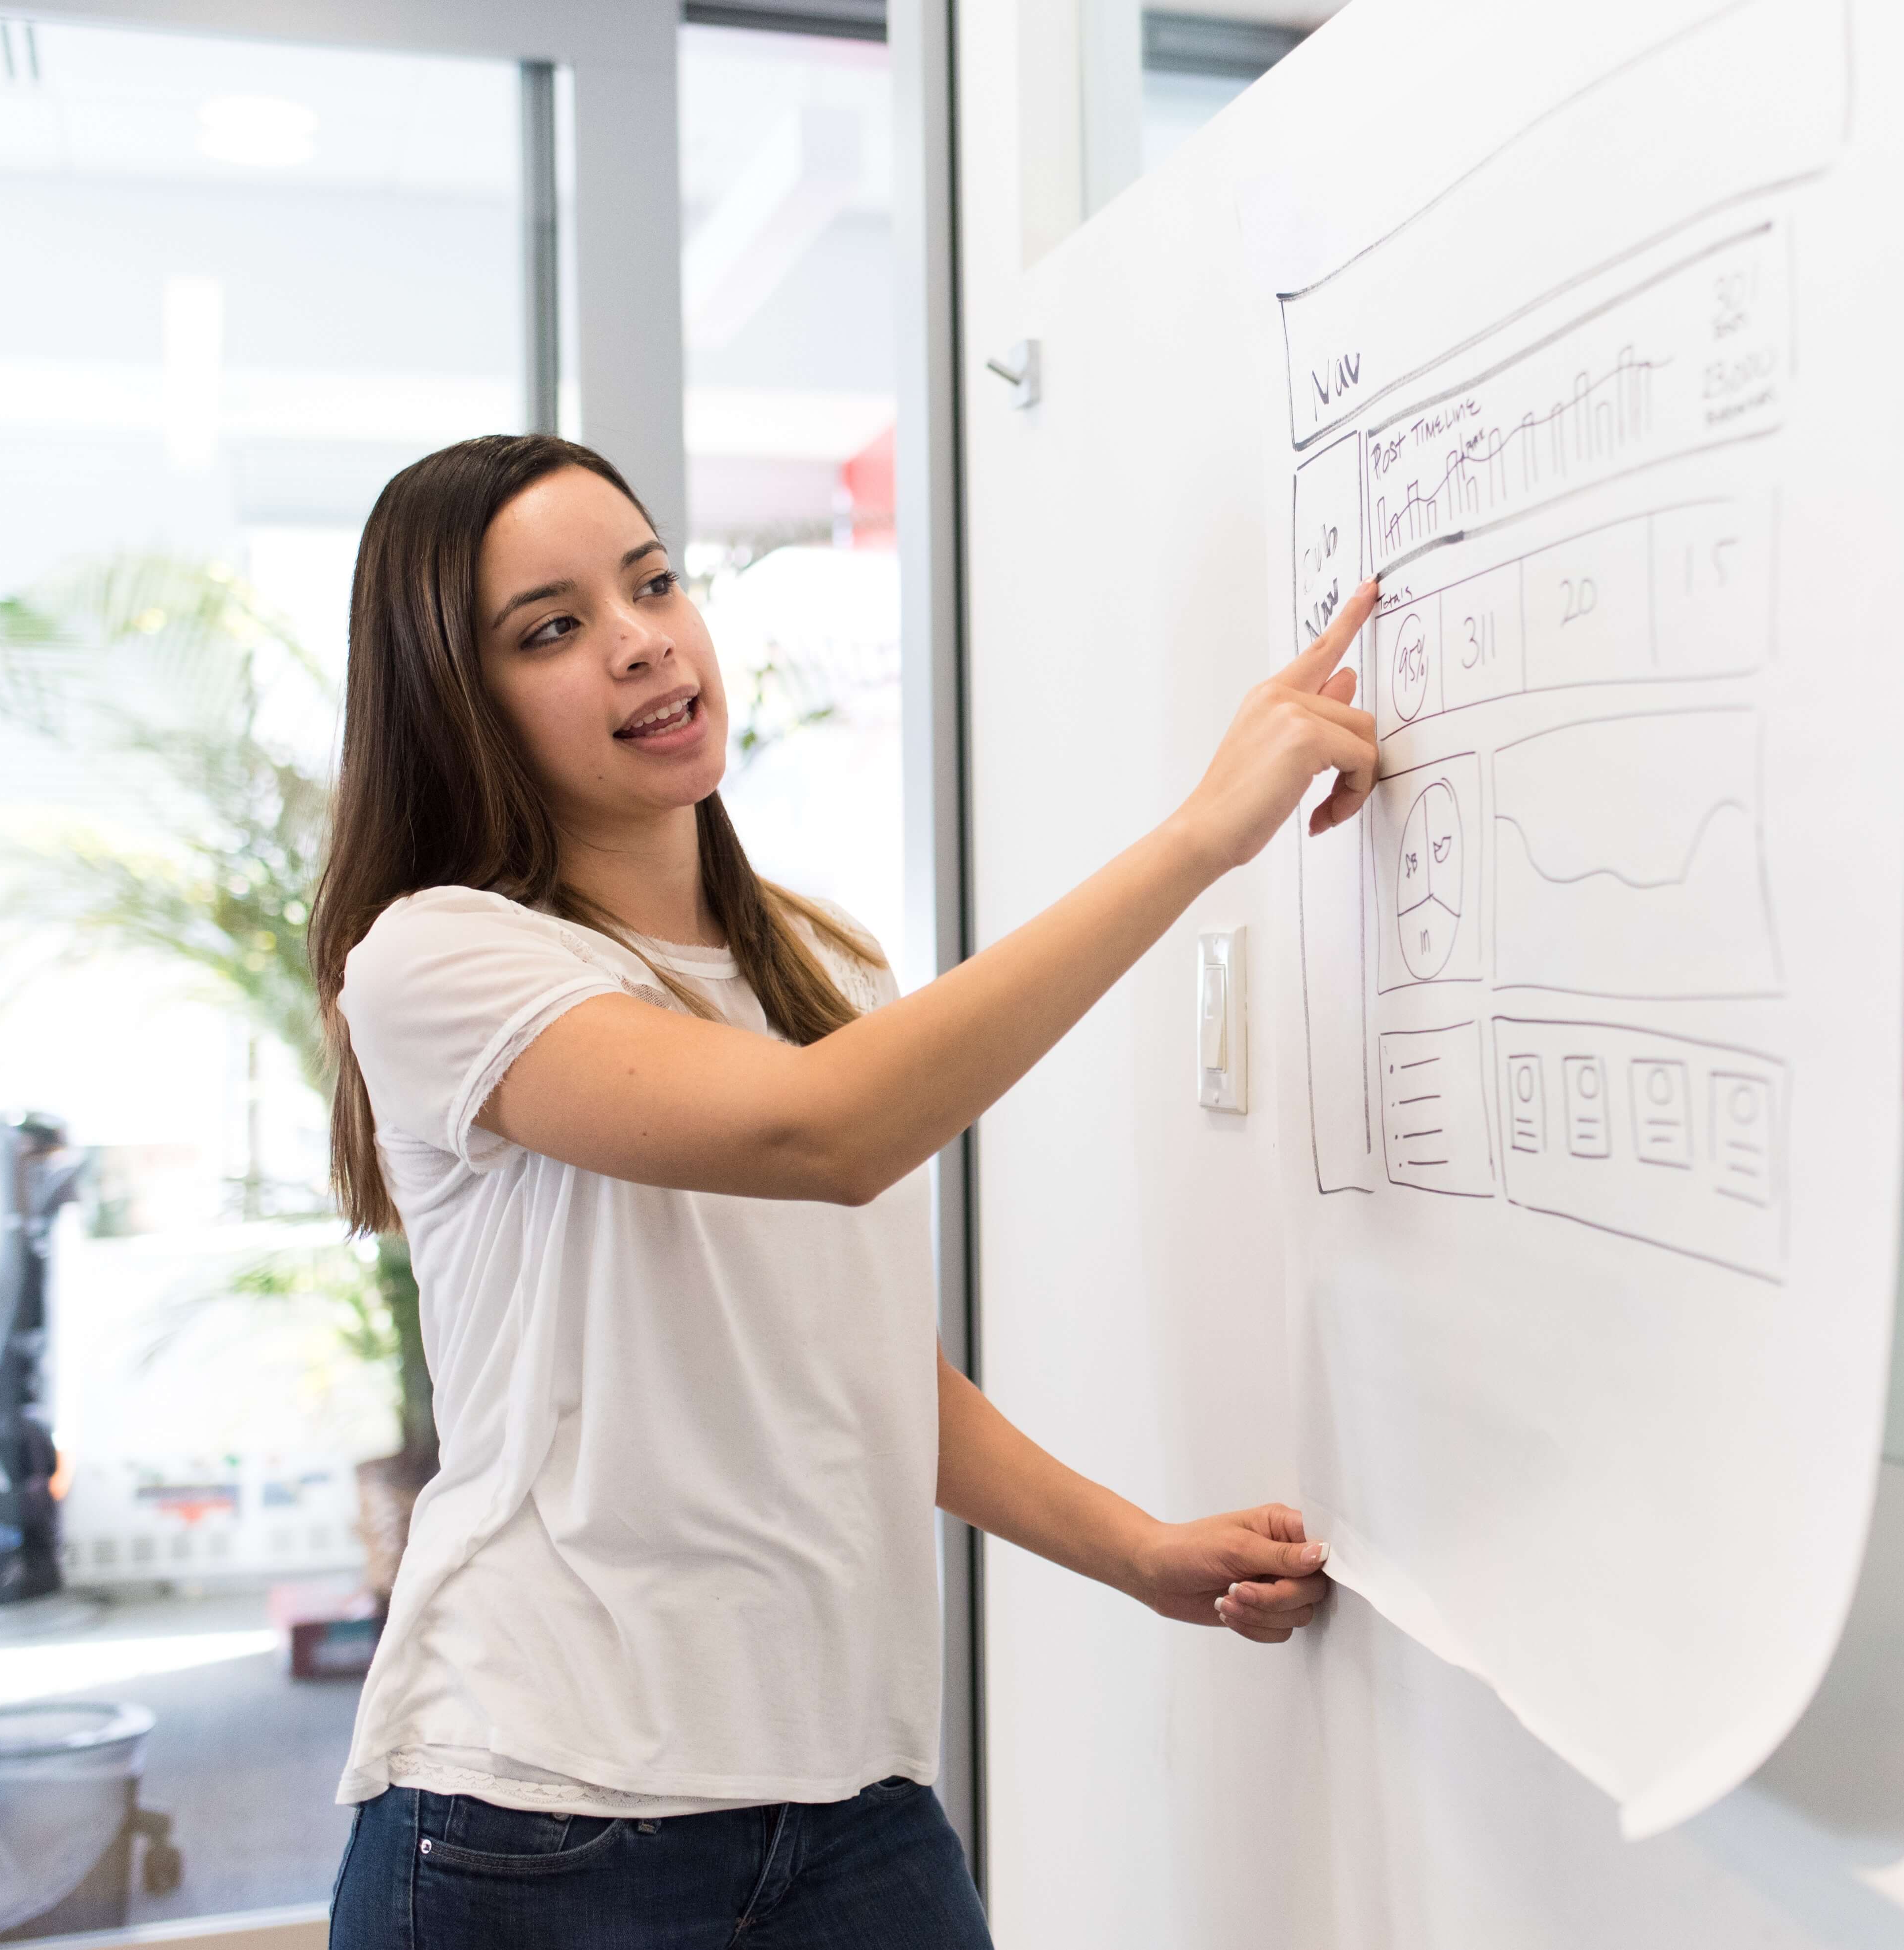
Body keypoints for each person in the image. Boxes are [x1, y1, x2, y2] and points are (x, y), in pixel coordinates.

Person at [312, 434, 1380, 1948]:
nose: (640, 641)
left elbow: (852, 1371)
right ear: (458, 705)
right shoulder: (440, 958)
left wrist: (1134, 1550)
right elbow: (826, 1134)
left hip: (850, 1800)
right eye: (549, 629)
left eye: (652, 581)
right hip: (537, 1812)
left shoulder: (820, 971)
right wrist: (1206, 835)